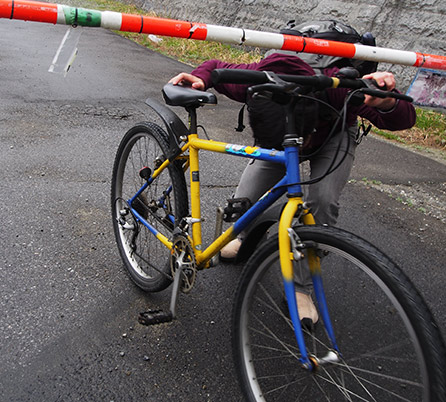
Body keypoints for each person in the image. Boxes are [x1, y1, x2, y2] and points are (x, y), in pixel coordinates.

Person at [169, 52, 416, 326]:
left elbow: (404, 119)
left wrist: (388, 100)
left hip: (332, 135)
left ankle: (301, 289)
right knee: (244, 200)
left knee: (322, 200)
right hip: (280, 138)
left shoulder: (338, 90)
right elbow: (214, 64)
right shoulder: (253, 80)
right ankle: (245, 236)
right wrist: (201, 78)